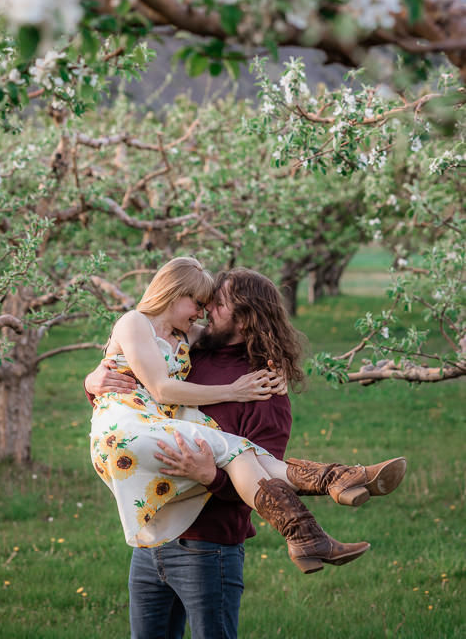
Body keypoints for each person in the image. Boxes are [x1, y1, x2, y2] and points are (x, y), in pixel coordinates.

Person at [86, 262, 406, 639]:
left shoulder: (264, 386)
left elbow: (256, 469)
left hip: (208, 548)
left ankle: (323, 505)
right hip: (154, 535)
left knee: (244, 454)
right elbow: (139, 386)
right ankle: (334, 486)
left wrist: (210, 476)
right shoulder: (192, 350)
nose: (205, 312)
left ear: (245, 317)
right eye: (202, 302)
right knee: (240, 450)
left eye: (216, 303)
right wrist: (92, 381)